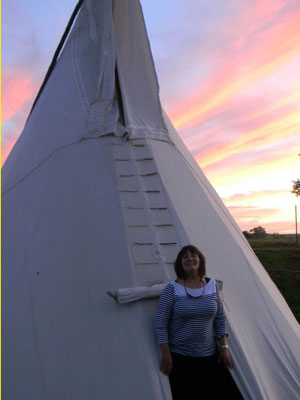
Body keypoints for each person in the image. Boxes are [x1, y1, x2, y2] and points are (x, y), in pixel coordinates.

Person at [155, 245, 233, 400]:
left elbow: (220, 318)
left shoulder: (212, 286)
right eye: (185, 257)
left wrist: (224, 348)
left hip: (209, 356)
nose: (190, 259)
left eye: (193, 255)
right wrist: (166, 354)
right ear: (180, 263)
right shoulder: (172, 288)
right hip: (180, 357)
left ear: (200, 260)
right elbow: (160, 324)